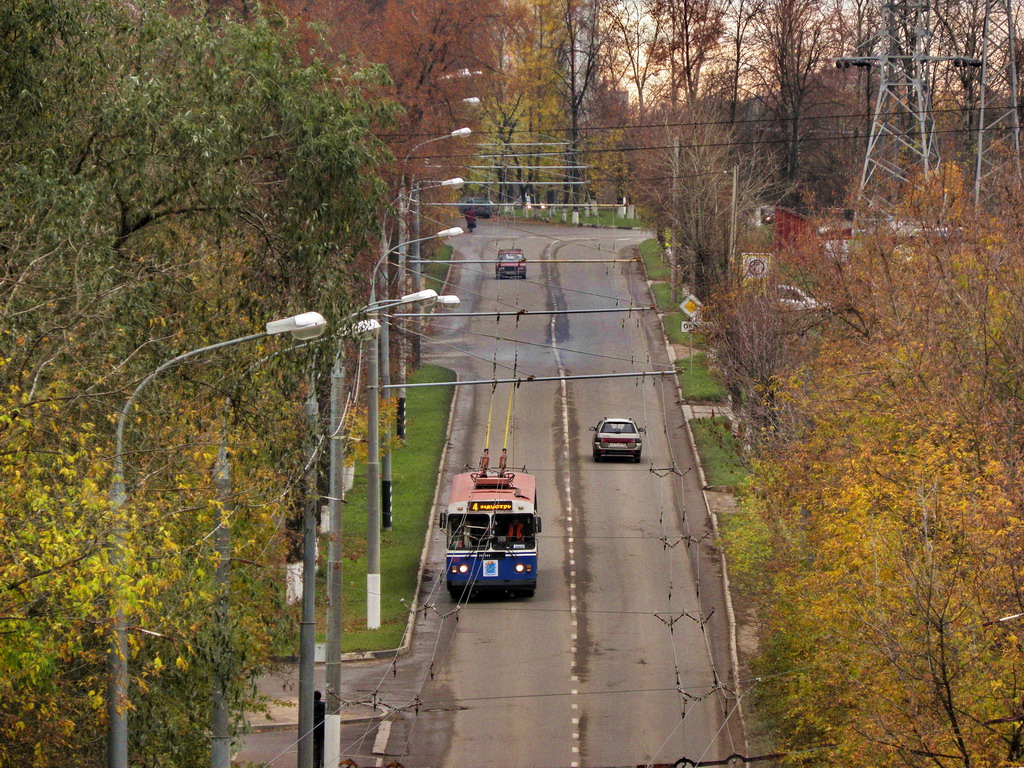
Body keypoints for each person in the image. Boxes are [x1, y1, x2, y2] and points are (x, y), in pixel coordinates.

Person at [313, 690, 326, 768]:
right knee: (323, 750)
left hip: (313, 730)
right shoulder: (323, 705)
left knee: (315, 750)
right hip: (322, 729)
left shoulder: (308, 705)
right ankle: (324, 764)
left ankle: (315, 765)